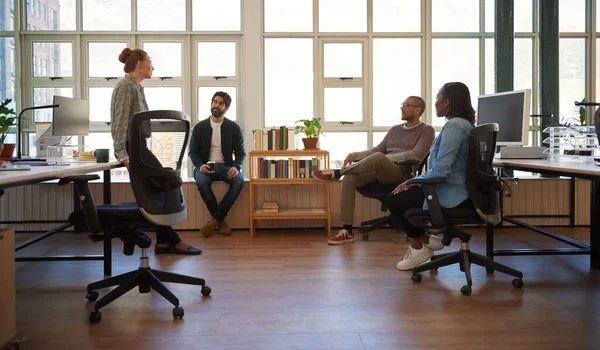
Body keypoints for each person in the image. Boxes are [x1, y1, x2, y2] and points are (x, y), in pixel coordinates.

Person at [110, 47, 202, 255]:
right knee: (161, 185)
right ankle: (171, 239)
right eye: (150, 62)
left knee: (160, 187)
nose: (153, 67)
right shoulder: (126, 86)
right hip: (132, 148)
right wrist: (121, 153)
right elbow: (120, 120)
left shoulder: (136, 87)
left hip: (139, 147)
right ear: (140, 64)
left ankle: (163, 241)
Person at [312, 96, 435, 245]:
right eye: (402, 104)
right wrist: (354, 155)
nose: (401, 107)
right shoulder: (394, 130)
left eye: (405, 105)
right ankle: (347, 230)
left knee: (377, 158)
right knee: (350, 178)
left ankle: (338, 172)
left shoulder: (426, 130)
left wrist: (384, 159)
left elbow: (415, 155)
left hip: (402, 174)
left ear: (417, 110)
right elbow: (377, 150)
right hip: (379, 170)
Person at [385, 82, 476, 270]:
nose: (435, 103)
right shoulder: (462, 124)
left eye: (437, 99)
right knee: (399, 197)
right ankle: (426, 240)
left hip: (450, 192)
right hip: (454, 188)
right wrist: (415, 182)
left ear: (447, 103)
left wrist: (412, 181)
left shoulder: (454, 127)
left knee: (394, 200)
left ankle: (418, 245)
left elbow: (441, 170)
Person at [189, 91, 245, 238]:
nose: (216, 105)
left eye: (220, 103)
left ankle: (215, 220)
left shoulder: (234, 128)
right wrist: (200, 165)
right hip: (205, 166)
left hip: (226, 166)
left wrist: (235, 167)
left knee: (239, 180)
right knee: (201, 181)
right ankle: (220, 221)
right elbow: (193, 152)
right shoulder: (199, 127)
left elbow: (241, 153)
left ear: (226, 108)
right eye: (215, 102)